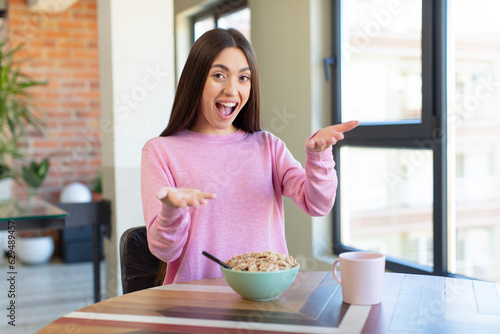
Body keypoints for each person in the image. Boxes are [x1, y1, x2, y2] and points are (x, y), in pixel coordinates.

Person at [141, 28, 358, 285]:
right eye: (219, 75)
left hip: (265, 299)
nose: (232, 90)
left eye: (243, 78)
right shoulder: (160, 151)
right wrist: (171, 211)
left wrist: (319, 157)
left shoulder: (269, 147)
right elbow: (164, 251)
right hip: (195, 304)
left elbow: (318, 205)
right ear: (196, 80)